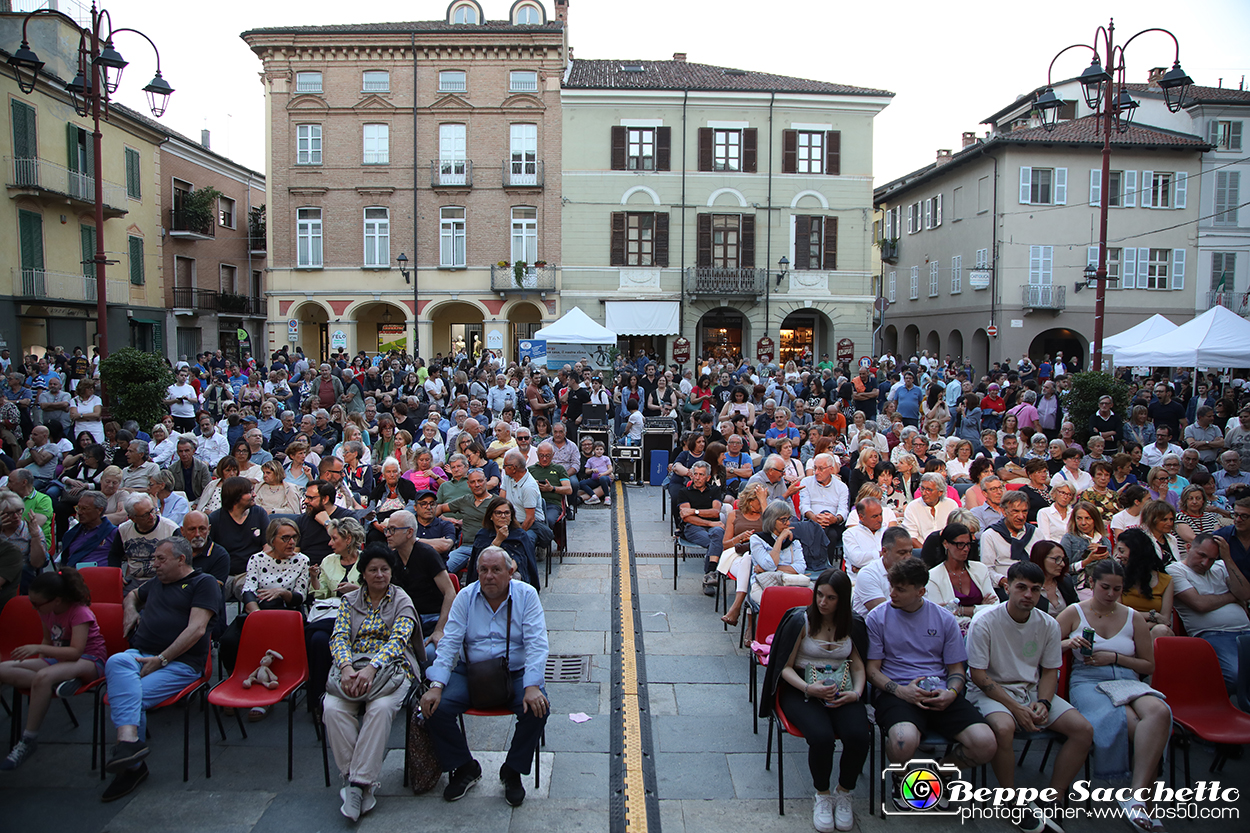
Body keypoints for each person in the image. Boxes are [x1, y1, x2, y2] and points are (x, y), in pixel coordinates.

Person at [420, 547, 550, 807]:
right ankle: (464, 765)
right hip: (471, 672)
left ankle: (512, 770)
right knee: (434, 708)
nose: (489, 576)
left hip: (514, 672)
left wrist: (532, 685)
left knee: (538, 709)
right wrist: (436, 685)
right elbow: (449, 642)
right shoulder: (465, 597)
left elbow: (537, 644)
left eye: (496, 570)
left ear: (510, 572)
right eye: (483, 570)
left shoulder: (526, 595)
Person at [967, 561, 1093, 829]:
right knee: (1003, 728)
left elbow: (1050, 671)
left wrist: (1044, 702)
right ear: (1008, 586)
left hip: (1032, 689)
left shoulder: (1048, 624)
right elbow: (978, 675)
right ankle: (1009, 799)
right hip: (990, 691)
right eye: (1021, 587)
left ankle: (1054, 798)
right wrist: (1016, 707)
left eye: (1035, 589)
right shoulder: (985, 621)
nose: (1028, 595)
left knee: (1083, 730)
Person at [866, 558, 995, 808]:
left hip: (940, 690)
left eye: (900, 589)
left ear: (920, 591)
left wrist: (952, 692)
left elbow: (957, 668)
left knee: (985, 743)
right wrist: (901, 691)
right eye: (891, 587)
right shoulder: (878, 617)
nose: (892, 594)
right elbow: (873, 671)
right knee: (904, 741)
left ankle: (937, 776)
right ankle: (903, 779)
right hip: (898, 690)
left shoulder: (944, 619)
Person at [100, 537, 220, 801]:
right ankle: (130, 742)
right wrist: (129, 610)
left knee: (134, 696)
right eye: (154, 559)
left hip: (180, 664)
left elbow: (197, 629)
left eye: (160, 559)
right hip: (141, 654)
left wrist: (162, 659)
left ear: (181, 559)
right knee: (116, 661)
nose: (154, 565)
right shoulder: (156, 583)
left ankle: (132, 768)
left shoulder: (203, 584)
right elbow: (132, 594)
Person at [1056, 560, 1171, 829]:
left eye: (1117, 589)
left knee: (1160, 712)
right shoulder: (1074, 612)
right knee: (1137, 726)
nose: (1110, 594)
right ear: (1092, 583)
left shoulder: (1132, 617)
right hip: (1088, 682)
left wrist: (1115, 657)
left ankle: (1137, 797)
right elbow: (1044, 648)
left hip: (1128, 679)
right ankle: (1143, 802)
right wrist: (1068, 642)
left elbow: (1148, 665)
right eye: (1105, 587)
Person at [759, 570, 869, 832]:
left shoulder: (852, 625)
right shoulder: (802, 621)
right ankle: (822, 794)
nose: (822, 602)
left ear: (842, 600)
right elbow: (783, 667)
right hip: (800, 687)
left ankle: (844, 791)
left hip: (841, 687)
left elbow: (858, 668)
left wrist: (856, 693)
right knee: (821, 737)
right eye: (819, 595)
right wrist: (810, 688)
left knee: (858, 735)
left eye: (830, 598)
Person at [323, 544, 422, 821]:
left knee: (379, 710)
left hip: (391, 669)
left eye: (385, 569)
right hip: (352, 668)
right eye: (373, 570)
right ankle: (358, 781)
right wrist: (345, 667)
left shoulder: (401, 600)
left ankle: (356, 784)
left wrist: (372, 669)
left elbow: (398, 641)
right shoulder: (349, 601)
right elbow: (339, 636)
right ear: (363, 574)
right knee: (332, 708)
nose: (379, 575)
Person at [0, 567, 107, 770]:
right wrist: (40, 659)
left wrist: (39, 652)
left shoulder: (79, 612)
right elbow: (49, 640)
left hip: (90, 661)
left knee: (44, 676)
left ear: (56, 600)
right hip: (59, 660)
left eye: (36, 604)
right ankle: (57, 682)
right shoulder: (47, 611)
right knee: (4, 669)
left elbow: (76, 652)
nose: (34, 608)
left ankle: (28, 740)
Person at [1166, 533, 1250, 692]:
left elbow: (1245, 594)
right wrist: (1233, 597)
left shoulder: (1221, 567)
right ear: (1188, 547)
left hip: (1246, 631)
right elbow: (1199, 604)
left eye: (1211, 559)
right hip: (1214, 634)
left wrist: (1228, 559)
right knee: (1237, 675)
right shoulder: (1175, 569)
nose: (1205, 563)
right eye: (1202, 555)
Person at [383, 511, 456, 648]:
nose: (387, 534)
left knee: (429, 653)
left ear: (409, 532)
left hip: (432, 619)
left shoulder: (427, 554)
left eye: (393, 530)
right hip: (404, 621)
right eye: (387, 530)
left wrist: (439, 630)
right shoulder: (391, 559)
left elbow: (450, 593)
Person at [922, 523, 996, 631]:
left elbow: (994, 607)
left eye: (968, 544)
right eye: (960, 544)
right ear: (946, 544)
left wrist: (960, 610)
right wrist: (980, 608)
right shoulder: (933, 576)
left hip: (985, 630)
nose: (966, 549)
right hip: (953, 633)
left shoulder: (980, 569)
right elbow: (941, 616)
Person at [107, 493, 179, 594]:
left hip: (162, 580)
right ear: (133, 518)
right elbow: (114, 555)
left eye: (152, 510)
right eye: (145, 515)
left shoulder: (171, 529)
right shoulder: (123, 529)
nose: (151, 516)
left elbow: (182, 559)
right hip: (133, 581)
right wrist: (117, 575)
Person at [1114, 528, 1175, 639]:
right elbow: (1118, 613)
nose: (1117, 556)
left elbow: (1165, 621)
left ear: (1136, 553)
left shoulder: (1166, 581)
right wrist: (1152, 615)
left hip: (1151, 632)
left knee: (1161, 630)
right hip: (1123, 628)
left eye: (1122, 551)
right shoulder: (1117, 578)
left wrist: (1141, 629)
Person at [980, 491, 1039, 588]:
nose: (1021, 517)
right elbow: (987, 569)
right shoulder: (990, 535)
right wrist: (1003, 581)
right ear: (1004, 511)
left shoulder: (1036, 533)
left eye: (1024, 511)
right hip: (1004, 587)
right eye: (1015, 511)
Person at [59, 490, 117, 568]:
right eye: (78, 508)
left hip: (101, 577)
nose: (79, 512)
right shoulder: (71, 534)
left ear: (99, 510)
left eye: (84, 508)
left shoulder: (113, 533)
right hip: (73, 577)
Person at [902, 473, 959, 549]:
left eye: (929, 490)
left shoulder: (951, 505)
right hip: (921, 551)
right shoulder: (913, 507)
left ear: (940, 492)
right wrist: (926, 553)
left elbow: (956, 533)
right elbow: (911, 537)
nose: (924, 493)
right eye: (922, 488)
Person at [1029, 539, 1078, 617]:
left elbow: (1077, 610)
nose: (1062, 564)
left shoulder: (1065, 581)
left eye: (1063, 560)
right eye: (1057, 559)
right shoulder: (1027, 587)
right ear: (1040, 559)